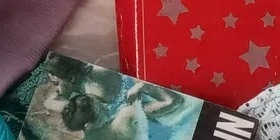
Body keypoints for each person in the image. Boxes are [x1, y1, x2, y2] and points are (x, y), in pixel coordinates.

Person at [22, 58, 202, 140]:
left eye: (57, 81)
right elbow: (51, 102)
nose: (57, 87)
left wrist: (140, 90)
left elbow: (172, 102)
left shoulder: (118, 111)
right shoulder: (83, 100)